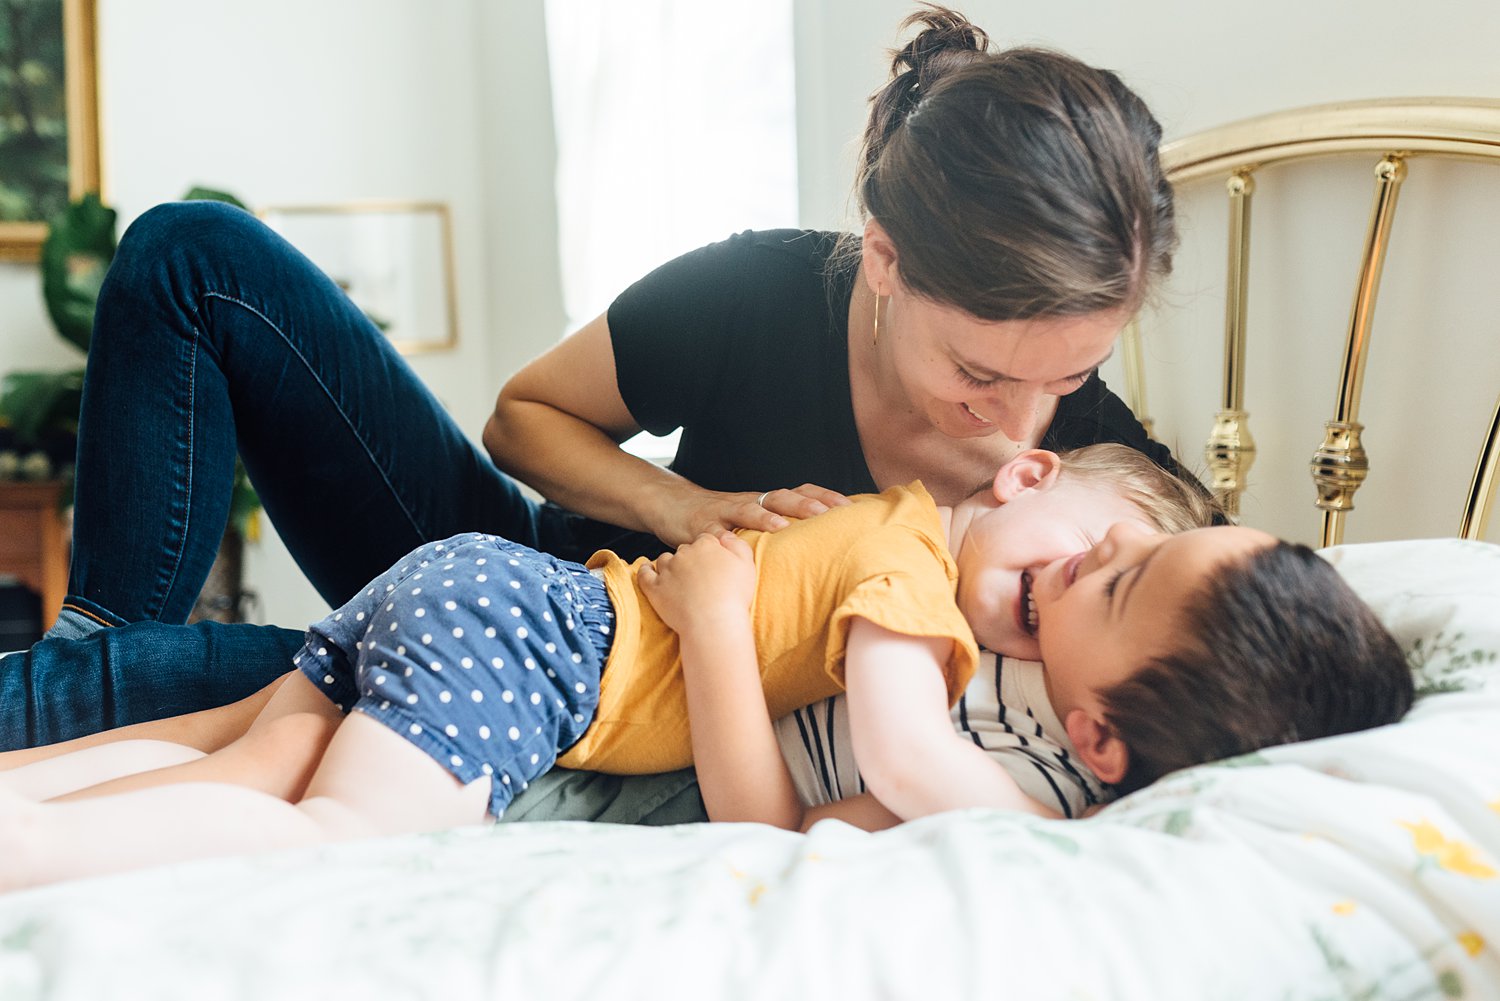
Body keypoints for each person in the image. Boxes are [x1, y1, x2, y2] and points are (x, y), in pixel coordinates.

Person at [2, 7, 1187, 824]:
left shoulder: (1097, 487)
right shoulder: (762, 288)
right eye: (982, 370)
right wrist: (690, 510)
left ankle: (85, 677)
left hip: (580, 712)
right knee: (192, 255)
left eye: (1070, 375)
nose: (1022, 418)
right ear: (882, 258)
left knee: (225, 693)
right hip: (538, 588)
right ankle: (96, 629)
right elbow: (525, 418)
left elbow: (1241, 627)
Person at [0, 447, 1412, 890]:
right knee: (329, 831)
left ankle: (25, 802)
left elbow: (836, 823)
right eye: (1105, 537)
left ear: (1106, 733)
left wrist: (1067, 825)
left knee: (251, 750)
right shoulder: (916, 569)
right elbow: (891, 772)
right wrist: (1071, 834)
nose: (1083, 567)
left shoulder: (1044, 763)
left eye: (1126, 575)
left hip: (511, 604)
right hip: (545, 644)